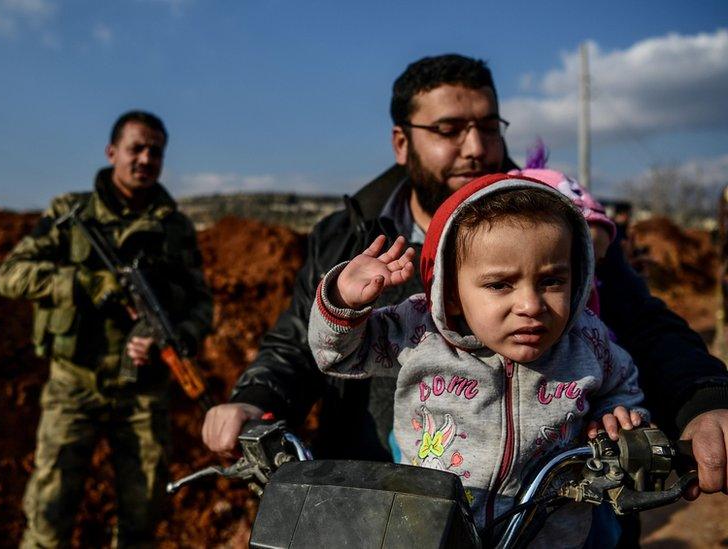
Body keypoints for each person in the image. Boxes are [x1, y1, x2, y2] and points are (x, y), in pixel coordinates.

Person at [202, 54, 728, 503]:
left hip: (541, 513)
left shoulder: (554, 227)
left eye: (488, 126)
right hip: (375, 494)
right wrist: (255, 397)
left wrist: (704, 398)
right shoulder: (348, 237)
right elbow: (299, 340)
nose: (476, 147)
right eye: (449, 130)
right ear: (401, 142)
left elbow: (644, 327)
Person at [308, 174, 648, 546]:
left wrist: (616, 412)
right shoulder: (420, 331)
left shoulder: (586, 340)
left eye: (552, 281)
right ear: (450, 293)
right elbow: (337, 356)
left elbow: (622, 385)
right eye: (500, 285)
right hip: (429, 532)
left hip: (547, 537)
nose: (531, 305)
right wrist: (344, 300)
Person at [0, 111, 213, 548]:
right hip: (73, 383)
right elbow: (11, 274)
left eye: (155, 151)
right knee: (48, 512)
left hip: (143, 391)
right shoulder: (69, 213)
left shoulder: (175, 229)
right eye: (136, 148)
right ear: (112, 152)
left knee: (144, 513)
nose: (146, 159)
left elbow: (201, 303)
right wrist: (83, 283)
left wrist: (173, 338)